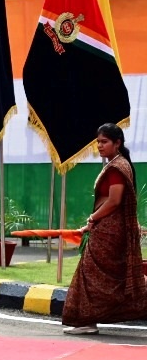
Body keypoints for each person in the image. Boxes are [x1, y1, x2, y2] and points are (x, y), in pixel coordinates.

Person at [62, 123, 147, 333]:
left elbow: (114, 200)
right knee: (111, 276)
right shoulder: (118, 164)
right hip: (109, 228)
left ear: (117, 143)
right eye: (98, 142)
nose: (100, 146)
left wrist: (92, 218)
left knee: (90, 273)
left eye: (104, 142)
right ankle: (88, 321)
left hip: (109, 231)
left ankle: (87, 321)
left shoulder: (118, 167)